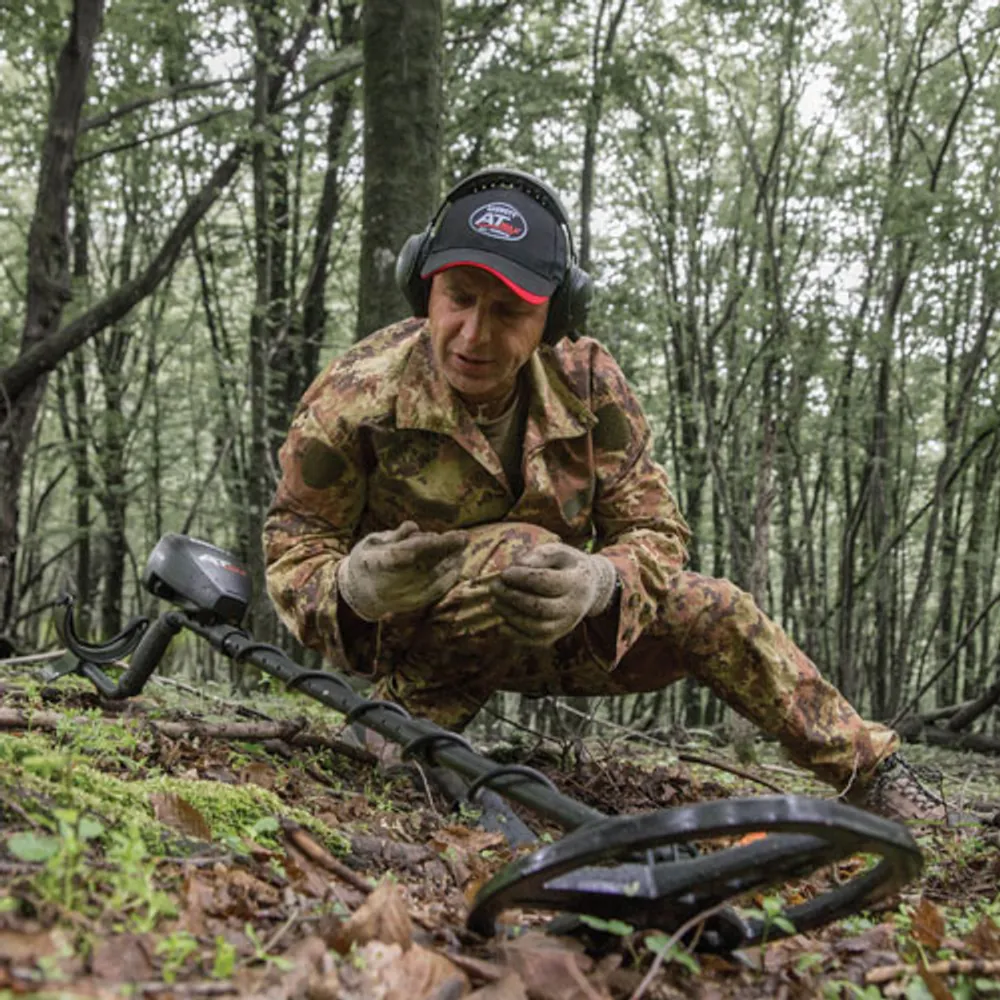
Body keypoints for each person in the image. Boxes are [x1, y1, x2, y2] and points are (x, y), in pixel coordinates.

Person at [264, 167, 949, 824]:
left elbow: (658, 532)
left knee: (714, 609)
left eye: (509, 311)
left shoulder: (588, 384)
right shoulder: (357, 396)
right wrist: (353, 587)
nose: (474, 334)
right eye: (459, 298)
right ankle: (401, 732)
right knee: (520, 548)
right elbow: (294, 547)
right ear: (424, 290)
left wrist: (598, 581)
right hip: (415, 639)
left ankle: (874, 775)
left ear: (554, 316)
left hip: (571, 629)